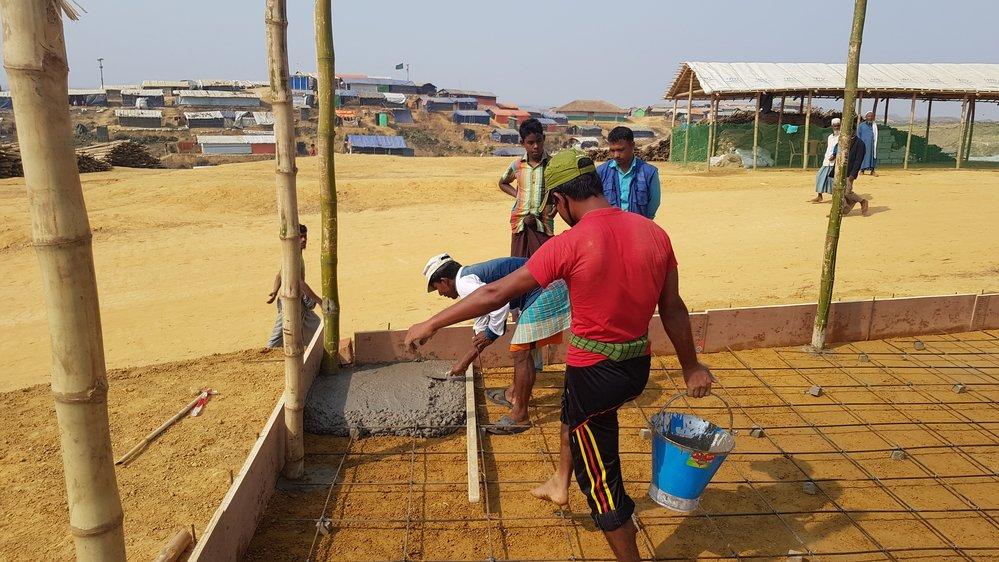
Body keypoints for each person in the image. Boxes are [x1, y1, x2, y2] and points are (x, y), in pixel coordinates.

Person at [406, 149, 714, 561]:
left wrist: (432, 323)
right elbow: (673, 307)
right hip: (635, 364)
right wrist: (691, 366)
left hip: (595, 373)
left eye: (555, 204)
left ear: (561, 200)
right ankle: (558, 480)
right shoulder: (654, 233)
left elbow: (496, 292)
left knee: (602, 480)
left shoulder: (570, 243)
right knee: (571, 407)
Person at [422, 253, 570, 434]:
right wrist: (464, 362)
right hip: (547, 286)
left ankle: (519, 416)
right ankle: (513, 395)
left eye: (437, 288)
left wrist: (490, 334)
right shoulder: (470, 278)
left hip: (546, 289)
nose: (440, 293)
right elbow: (482, 323)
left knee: (521, 351)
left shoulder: (465, 284)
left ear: (445, 281)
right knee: (523, 349)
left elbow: (499, 305)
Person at [499, 118, 553, 258]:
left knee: (544, 264)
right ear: (522, 142)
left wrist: (555, 210)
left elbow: (561, 190)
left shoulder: (553, 165)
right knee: (518, 265)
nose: (535, 146)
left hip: (543, 223)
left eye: (539, 141)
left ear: (544, 139)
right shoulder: (517, 165)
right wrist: (517, 194)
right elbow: (503, 183)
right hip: (520, 222)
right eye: (530, 142)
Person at [265, 224, 322, 348]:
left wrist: (274, 292)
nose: (304, 240)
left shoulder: (295, 254)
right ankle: (267, 353)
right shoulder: (293, 257)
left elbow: (279, 275)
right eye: (300, 237)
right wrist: (318, 300)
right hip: (289, 302)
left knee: (316, 327)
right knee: (279, 335)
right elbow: (299, 282)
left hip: (300, 301)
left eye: (305, 236)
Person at [597, 126, 661, 219]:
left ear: (632, 145)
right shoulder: (601, 172)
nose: (616, 155)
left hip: (638, 227)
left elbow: (654, 203)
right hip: (610, 228)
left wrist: (644, 224)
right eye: (612, 150)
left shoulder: (649, 173)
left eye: (620, 150)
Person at [832, 132, 870, 216]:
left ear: (853, 131)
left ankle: (862, 201)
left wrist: (853, 174)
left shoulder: (860, 143)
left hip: (850, 171)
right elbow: (836, 150)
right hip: (839, 170)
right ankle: (841, 210)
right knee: (837, 191)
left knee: (847, 192)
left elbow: (858, 160)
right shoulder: (842, 140)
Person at [810, 118, 840, 203]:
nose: (837, 127)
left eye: (838, 126)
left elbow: (840, 148)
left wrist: (834, 155)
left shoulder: (842, 136)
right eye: (835, 126)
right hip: (827, 160)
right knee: (819, 176)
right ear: (832, 126)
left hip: (836, 161)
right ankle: (819, 196)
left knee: (833, 180)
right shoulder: (830, 137)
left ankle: (836, 198)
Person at [857, 111, 878, 175]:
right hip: (863, 144)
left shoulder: (874, 126)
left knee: (872, 156)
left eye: (872, 116)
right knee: (862, 156)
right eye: (869, 116)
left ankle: (872, 170)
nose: (870, 118)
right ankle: (862, 170)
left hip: (872, 145)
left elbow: (875, 135)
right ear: (866, 117)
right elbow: (858, 135)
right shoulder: (861, 126)